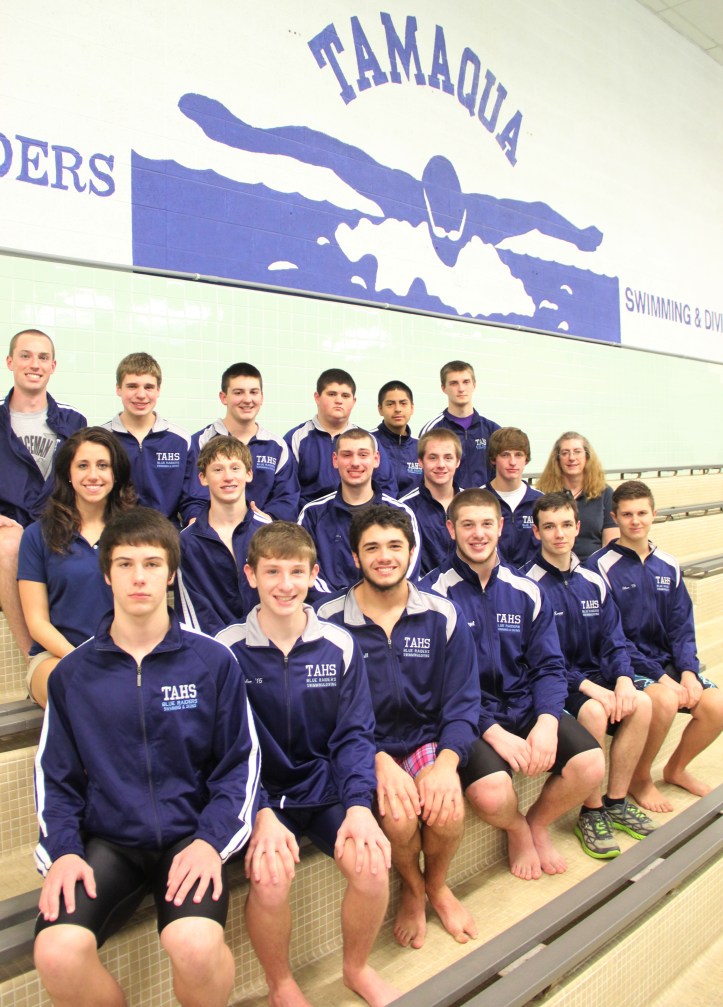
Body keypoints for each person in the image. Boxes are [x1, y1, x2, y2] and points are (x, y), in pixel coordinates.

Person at [33, 507, 261, 1007]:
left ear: (171, 573)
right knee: (56, 952)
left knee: (194, 945)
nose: (139, 577)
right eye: (125, 564)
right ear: (107, 574)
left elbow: (239, 765)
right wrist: (64, 850)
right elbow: (56, 779)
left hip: (188, 836)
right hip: (110, 840)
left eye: (153, 564)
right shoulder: (72, 674)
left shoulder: (212, 661)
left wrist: (211, 841)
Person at [217, 522, 398, 1007]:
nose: (285, 584)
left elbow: (354, 734)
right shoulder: (226, 651)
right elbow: (226, 749)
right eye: (272, 571)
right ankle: (281, 984)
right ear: (250, 575)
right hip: (260, 796)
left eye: (297, 572)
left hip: (324, 788)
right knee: (270, 879)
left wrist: (358, 805)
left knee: (372, 866)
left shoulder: (339, 645)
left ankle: (357, 969)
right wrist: (259, 811)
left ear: (315, 574)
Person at [317, 506, 480, 951]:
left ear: (411, 552)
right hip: (365, 746)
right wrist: (377, 761)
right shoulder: (328, 622)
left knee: (448, 808)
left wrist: (446, 764)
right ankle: (412, 886)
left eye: (394, 546)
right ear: (355, 557)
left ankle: (437, 885)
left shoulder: (442, 614)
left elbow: (463, 702)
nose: (384, 556)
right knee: (398, 816)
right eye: (371, 548)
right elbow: (327, 713)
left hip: (426, 740)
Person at [421, 489, 604, 880]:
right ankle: (517, 827)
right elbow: (439, 685)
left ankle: (538, 822)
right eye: (468, 525)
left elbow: (549, 666)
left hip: (522, 704)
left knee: (590, 765)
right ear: (451, 529)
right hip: (468, 717)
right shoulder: (432, 596)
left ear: (501, 526)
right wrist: (493, 732)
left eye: (487, 523)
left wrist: (547, 722)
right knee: (492, 793)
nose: (478, 534)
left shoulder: (525, 590)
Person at [524, 493, 655, 859]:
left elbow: (614, 640)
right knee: (595, 712)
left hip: (596, 676)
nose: (559, 534)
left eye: (566, 525)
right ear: (536, 532)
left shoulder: (592, 581)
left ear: (578, 527)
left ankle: (616, 801)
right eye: (550, 526)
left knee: (642, 703)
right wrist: (592, 689)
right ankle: (591, 810)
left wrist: (624, 679)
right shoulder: (528, 586)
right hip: (558, 683)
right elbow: (539, 659)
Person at [588, 480, 723, 813]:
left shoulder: (668, 564)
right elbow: (612, 637)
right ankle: (640, 777)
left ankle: (676, 769)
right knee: (663, 699)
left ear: (654, 514)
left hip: (666, 662)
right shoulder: (599, 567)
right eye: (627, 514)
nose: (635, 521)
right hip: (622, 664)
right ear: (615, 517)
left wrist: (688, 672)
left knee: (717, 705)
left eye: (642, 513)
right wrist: (662, 679)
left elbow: (682, 628)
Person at [18, 427, 136, 707]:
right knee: (79, 688)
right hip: (58, 657)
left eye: (103, 465)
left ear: (115, 474)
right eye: (83, 465)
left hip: (127, 653)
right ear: (68, 473)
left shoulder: (136, 532)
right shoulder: (37, 535)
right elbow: (37, 622)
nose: (93, 475)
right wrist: (81, 659)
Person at [1, 329, 86, 659]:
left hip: (57, 523)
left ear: (53, 366)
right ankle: (33, 658)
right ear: (10, 362)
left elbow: (84, 478)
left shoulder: (73, 420)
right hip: (9, 529)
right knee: (9, 543)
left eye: (42, 357)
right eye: (25, 355)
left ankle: (93, 652)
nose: (34, 364)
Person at [298, 428, 421, 593]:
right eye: (347, 455)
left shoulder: (402, 512)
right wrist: (340, 604)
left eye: (363, 455)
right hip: (329, 608)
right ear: (335, 460)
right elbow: (304, 569)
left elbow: (409, 568)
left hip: (388, 607)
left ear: (376, 459)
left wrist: (373, 601)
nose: (355, 462)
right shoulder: (312, 514)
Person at [175, 436, 270, 636]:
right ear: (203, 478)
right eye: (218, 470)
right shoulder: (187, 542)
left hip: (264, 644)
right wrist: (222, 648)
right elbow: (194, 614)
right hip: (212, 647)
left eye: (235, 468)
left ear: (249, 474)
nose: (228, 477)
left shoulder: (270, 533)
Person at [190, 362, 299, 520]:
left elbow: (287, 498)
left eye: (253, 392)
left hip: (264, 532)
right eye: (238, 392)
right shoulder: (201, 442)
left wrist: (267, 520)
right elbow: (193, 495)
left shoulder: (277, 447)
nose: (247, 399)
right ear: (223, 397)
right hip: (212, 529)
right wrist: (201, 522)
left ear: (261, 397)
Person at [103, 352, 198, 525]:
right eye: (132, 386)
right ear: (118, 389)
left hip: (166, 535)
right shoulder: (101, 440)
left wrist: (194, 522)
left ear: (158, 390)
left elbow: (193, 498)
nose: (141, 394)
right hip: (114, 534)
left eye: (148, 387)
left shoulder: (180, 441)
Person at [285, 368, 395, 506]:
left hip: (362, 516)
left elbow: (387, 488)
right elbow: (287, 492)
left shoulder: (368, 441)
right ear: (317, 397)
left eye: (345, 396)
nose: (338, 400)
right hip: (311, 517)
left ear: (353, 401)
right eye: (331, 394)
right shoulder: (295, 439)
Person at [536, 431, 617, 560]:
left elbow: (610, 545)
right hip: (554, 566)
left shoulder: (605, 493)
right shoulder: (542, 493)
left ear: (587, 456)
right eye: (565, 453)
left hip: (594, 567)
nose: (571, 458)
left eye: (577, 452)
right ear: (557, 459)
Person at [418, 361, 500, 488]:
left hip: (485, 499)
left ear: (474, 385)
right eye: (454, 383)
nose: (461, 389)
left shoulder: (493, 430)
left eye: (466, 382)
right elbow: (422, 473)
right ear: (443, 388)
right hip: (448, 499)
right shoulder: (431, 430)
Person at [400, 429, 461, 576]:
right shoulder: (404, 509)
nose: (441, 464)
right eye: (433, 458)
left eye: (448, 458)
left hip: (466, 588)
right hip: (422, 588)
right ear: (420, 462)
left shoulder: (471, 503)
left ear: (457, 462)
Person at [484, 427, 542, 570]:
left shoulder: (541, 502)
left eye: (518, 455)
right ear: (494, 459)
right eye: (505, 455)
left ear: (526, 459)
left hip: (533, 581)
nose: (512, 462)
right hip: (490, 580)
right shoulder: (477, 500)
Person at [372, 380, 422, 497]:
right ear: (380, 409)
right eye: (390, 404)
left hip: (412, 508)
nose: (398, 409)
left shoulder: (422, 447)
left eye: (403, 403)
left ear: (412, 408)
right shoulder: (368, 442)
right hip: (377, 508)